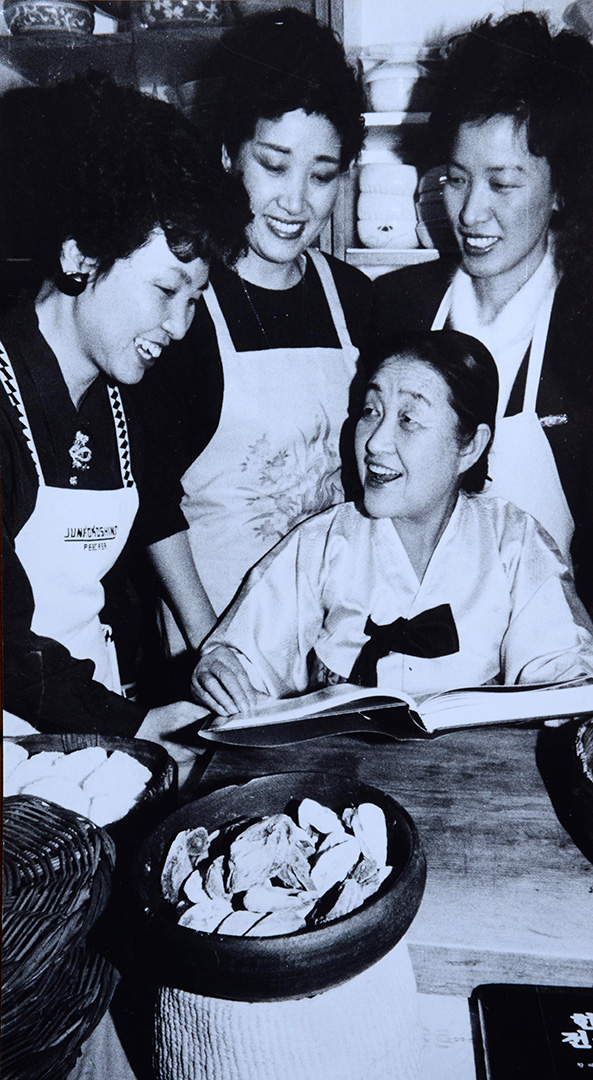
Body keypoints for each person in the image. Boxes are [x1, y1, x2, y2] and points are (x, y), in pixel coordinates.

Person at [0, 74, 250, 738]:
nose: (180, 325)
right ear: (81, 254)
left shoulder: (123, 399)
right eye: (167, 290)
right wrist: (136, 724)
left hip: (93, 725)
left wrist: (206, 652)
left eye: (195, 300)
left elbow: (149, 521)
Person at [191, 330, 593, 717]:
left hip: (474, 762)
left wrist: (568, 690)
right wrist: (224, 672)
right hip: (338, 758)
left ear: (469, 446)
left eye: (408, 418)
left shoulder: (514, 541)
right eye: (371, 412)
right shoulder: (323, 542)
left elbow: (564, 667)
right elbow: (246, 655)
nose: (374, 442)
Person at [135, 5, 376, 644]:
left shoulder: (356, 302)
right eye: (273, 165)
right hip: (211, 642)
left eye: (321, 175)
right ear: (227, 154)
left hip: (334, 640)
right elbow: (151, 497)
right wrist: (208, 644)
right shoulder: (186, 303)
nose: (296, 202)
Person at [375, 12, 593, 613]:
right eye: (456, 178)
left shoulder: (582, 328)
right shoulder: (397, 308)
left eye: (503, 184)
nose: (470, 213)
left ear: (562, 189)